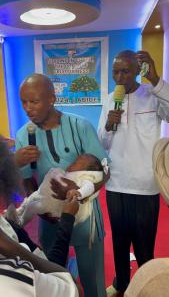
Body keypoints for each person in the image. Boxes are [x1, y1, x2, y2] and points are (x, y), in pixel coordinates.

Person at [15, 73, 109, 297]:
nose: (28, 108)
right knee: (54, 280)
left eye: (34, 101)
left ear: (51, 99)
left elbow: (104, 171)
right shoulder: (23, 135)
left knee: (93, 282)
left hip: (85, 217)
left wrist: (78, 193)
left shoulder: (80, 126)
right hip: (49, 221)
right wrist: (41, 203)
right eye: (24, 102)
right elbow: (28, 181)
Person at [98, 50, 169, 296]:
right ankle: (121, 284)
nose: (119, 76)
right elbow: (102, 143)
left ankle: (146, 286)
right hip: (116, 183)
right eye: (115, 71)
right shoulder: (109, 100)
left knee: (144, 245)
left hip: (145, 185)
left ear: (137, 71)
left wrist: (156, 79)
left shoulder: (151, 95)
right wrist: (109, 125)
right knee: (118, 242)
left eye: (125, 71)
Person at [0, 136, 81, 296]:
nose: (29, 109)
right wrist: (67, 219)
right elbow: (69, 286)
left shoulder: (8, 225)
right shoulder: (16, 276)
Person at [15, 154, 108, 232]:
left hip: (52, 205)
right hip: (45, 194)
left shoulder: (83, 177)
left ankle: (21, 221)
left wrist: (79, 192)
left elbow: (89, 186)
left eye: (75, 163)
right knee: (32, 197)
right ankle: (20, 209)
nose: (71, 164)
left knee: (33, 206)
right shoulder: (70, 173)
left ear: (85, 171)